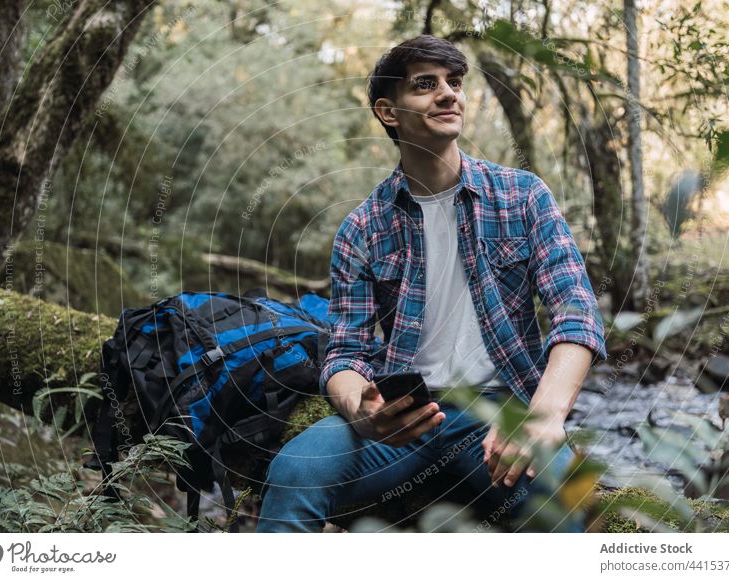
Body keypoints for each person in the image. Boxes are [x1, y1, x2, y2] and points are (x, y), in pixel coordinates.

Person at [256, 34, 607, 533]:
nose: (448, 94)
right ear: (389, 111)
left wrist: (545, 416)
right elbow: (345, 353)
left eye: (454, 82)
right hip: (409, 415)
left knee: (559, 503)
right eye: (425, 85)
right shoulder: (363, 227)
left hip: (503, 409)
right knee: (293, 473)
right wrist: (363, 412)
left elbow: (576, 312)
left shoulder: (523, 196)